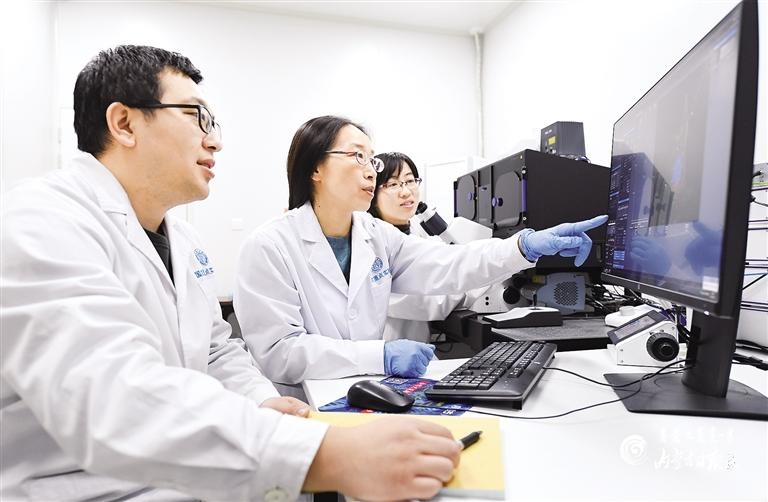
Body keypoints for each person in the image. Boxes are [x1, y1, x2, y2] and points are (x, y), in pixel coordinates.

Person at [0, 46, 460, 502]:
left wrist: (260, 399)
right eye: (196, 117)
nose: (214, 141)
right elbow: (110, 399)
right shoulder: (41, 219)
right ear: (124, 123)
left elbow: (216, 349)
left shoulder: (183, 240)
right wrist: (328, 455)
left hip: (190, 477)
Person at [234, 115, 608, 386]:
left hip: (367, 391)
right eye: (357, 156)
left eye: (372, 159)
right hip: (302, 407)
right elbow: (279, 352)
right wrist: (379, 355)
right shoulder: (269, 246)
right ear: (315, 168)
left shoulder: (376, 236)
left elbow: (449, 263)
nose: (371, 171)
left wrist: (523, 246)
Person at [368, 151, 491, 343]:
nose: (406, 192)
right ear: (372, 193)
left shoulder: (416, 235)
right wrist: (491, 270)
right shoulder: (372, 248)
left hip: (417, 348)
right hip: (388, 350)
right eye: (393, 184)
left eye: (410, 181)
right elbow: (432, 303)